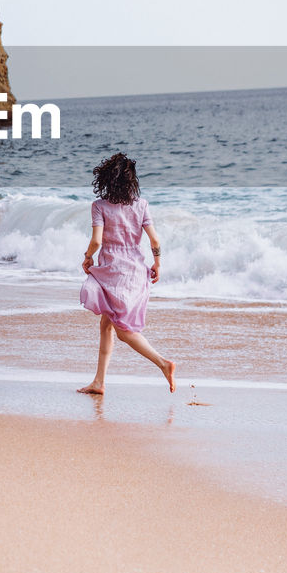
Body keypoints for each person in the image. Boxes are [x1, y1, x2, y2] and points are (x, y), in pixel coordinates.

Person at [77, 152, 175, 394]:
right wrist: (158, 264)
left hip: (112, 272)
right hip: (134, 271)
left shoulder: (99, 206)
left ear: (107, 180)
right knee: (106, 325)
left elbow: (97, 241)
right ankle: (99, 382)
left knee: (123, 332)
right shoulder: (141, 205)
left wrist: (88, 258)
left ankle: (164, 363)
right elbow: (154, 239)